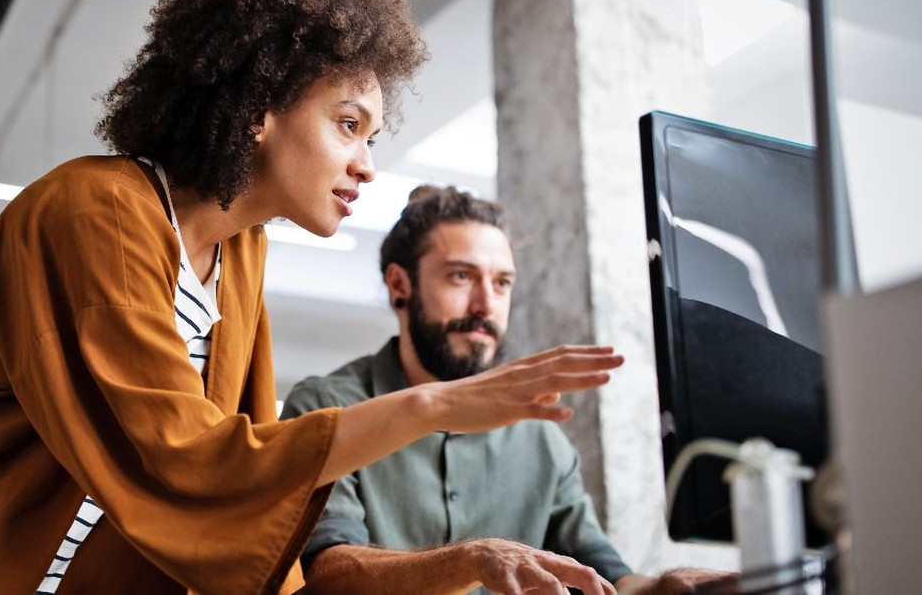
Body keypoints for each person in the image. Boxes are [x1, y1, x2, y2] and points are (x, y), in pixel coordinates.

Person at [0, 0, 622, 595]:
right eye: (348, 124)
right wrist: (437, 406)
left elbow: (245, 475)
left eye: (372, 136)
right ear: (259, 104)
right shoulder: (95, 210)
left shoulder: (240, 255)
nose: (367, 164)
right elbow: (186, 458)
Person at [282, 186, 736, 595]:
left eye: (501, 283)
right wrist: (472, 559)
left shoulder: (539, 434)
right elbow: (328, 573)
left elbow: (603, 569)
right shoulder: (327, 407)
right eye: (461, 276)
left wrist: (664, 587)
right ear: (401, 284)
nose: (486, 306)